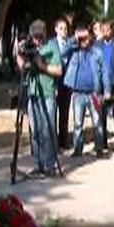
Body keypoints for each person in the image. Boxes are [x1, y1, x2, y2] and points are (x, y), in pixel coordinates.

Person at [16, 19, 63, 177]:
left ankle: (49, 165)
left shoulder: (51, 48)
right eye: (34, 35)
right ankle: (38, 164)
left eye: (39, 35)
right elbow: (23, 67)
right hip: (32, 93)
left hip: (47, 93)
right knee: (35, 131)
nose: (37, 39)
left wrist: (42, 66)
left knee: (47, 130)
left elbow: (58, 70)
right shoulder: (29, 48)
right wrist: (21, 60)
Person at [63, 25, 111, 158]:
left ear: (90, 37)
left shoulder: (97, 52)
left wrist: (107, 90)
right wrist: (75, 38)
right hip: (78, 93)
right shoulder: (73, 51)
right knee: (78, 124)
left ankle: (99, 149)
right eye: (81, 38)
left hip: (94, 93)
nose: (84, 41)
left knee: (97, 123)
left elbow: (105, 73)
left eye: (86, 37)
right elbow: (63, 52)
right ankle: (78, 149)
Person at [95, 18, 114, 151]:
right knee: (102, 114)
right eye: (103, 30)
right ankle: (104, 142)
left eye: (108, 29)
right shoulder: (97, 45)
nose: (106, 32)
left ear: (112, 30)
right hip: (102, 85)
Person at [47, 18, 72, 150]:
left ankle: (64, 140)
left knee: (65, 112)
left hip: (67, 83)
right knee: (52, 113)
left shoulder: (69, 43)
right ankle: (53, 142)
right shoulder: (51, 43)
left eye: (65, 29)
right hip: (54, 81)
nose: (64, 31)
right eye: (61, 28)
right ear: (56, 29)